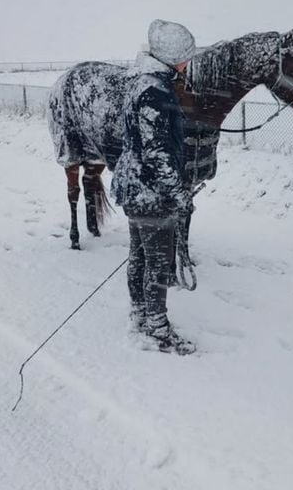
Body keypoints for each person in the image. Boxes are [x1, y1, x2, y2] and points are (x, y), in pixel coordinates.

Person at [111, 19, 197, 355]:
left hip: (135, 185)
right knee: (158, 263)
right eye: (186, 56)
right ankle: (157, 328)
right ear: (173, 56)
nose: (188, 62)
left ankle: (140, 314)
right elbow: (157, 152)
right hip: (150, 192)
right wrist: (178, 193)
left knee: (139, 256)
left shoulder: (141, 83)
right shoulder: (155, 91)